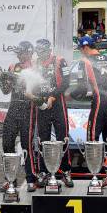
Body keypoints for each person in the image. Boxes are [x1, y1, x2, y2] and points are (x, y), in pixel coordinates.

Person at [71, 35, 107, 177]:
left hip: (101, 101)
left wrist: (73, 95)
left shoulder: (85, 61)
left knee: (92, 137)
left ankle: (95, 173)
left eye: (81, 49)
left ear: (85, 47)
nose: (81, 52)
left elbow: (80, 88)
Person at [0, 41, 38, 192]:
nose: (20, 56)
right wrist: (2, 77)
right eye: (18, 53)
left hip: (29, 107)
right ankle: (9, 179)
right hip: (14, 107)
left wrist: (9, 75)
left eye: (22, 53)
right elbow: (6, 90)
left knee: (27, 144)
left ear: (29, 53)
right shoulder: (13, 66)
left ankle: (31, 179)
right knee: (7, 143)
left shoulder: (35, 67)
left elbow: (25, 83)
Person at [33, 39, 73, 188]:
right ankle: (43, 171)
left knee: (63, 138)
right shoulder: (35, 63)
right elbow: (32, 83)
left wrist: (53, 96)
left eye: (42, 52)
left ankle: (66, 171)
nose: (40, 55)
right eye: (38, 52)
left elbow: (67, 82)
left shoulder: (60, 60)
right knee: (43, 139)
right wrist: (35, 97)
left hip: (57, 104)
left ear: (49, 50)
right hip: (42, 105)